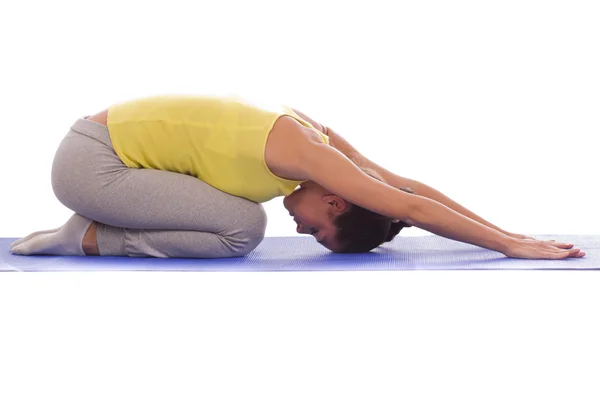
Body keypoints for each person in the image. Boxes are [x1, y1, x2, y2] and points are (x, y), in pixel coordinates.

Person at [10, 94, 584, 259]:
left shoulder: (314, 145)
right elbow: (408, 207)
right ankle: (86, 236)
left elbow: (405, 186)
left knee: (242, 218)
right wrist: (508, 246)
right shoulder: (309, 159)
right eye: (315, 232)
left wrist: (508, 230)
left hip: (99, 157)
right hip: (93, 165)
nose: (302, 227)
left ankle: (88, 227)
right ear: (337, 203)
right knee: (242, 228)